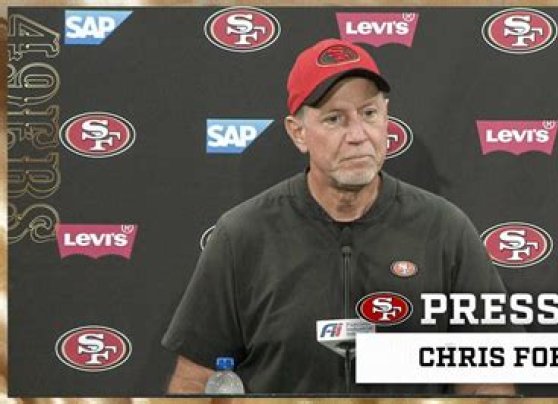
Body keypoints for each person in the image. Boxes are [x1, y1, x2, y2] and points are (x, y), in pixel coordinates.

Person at [162, 38, 518, 395]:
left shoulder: (445, 229)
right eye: (335, 119)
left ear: (386, 116)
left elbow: (487, 380)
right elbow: (194, 382)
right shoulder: (242, 235)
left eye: (369, 113)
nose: (358, 135)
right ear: (298, 132)